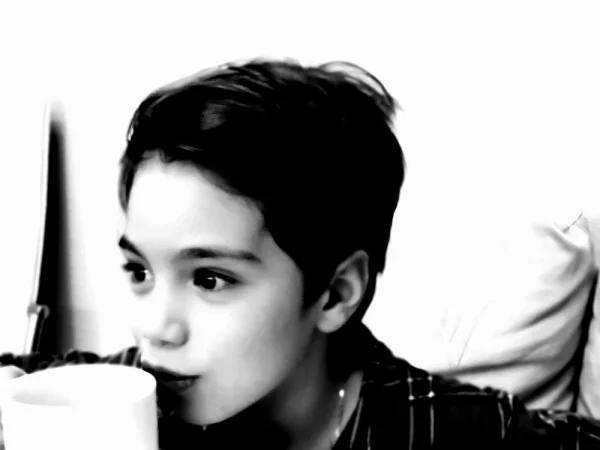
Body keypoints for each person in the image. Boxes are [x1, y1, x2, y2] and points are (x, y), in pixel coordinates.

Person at [1, 58, 600, 450]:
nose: (155, 327)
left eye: (209, 279)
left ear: (336, 293)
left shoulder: (454, 430)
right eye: (140, 271)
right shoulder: (126, 398)